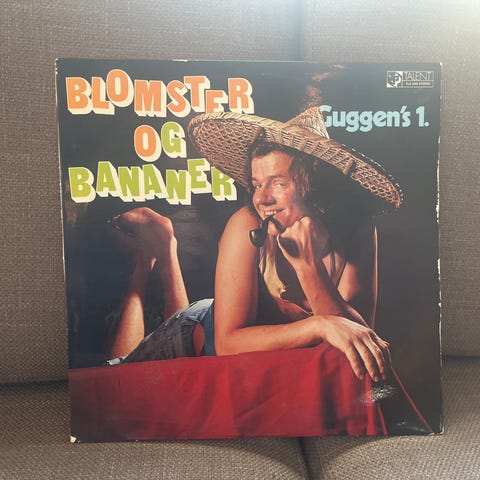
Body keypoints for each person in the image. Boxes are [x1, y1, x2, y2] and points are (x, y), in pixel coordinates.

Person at [104, 107, 402, 384]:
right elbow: (227, 344)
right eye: (257, 184)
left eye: (278, 183)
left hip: (256, 363)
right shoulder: (245, 223)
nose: (261, 198)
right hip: (197, 334)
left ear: (315, 188)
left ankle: (161, 248)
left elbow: (361, 340)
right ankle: (156, 250)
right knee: (116, 376)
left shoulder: (357, 230)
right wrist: (319, 325)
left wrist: (308, 267)